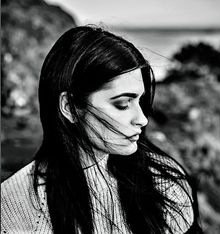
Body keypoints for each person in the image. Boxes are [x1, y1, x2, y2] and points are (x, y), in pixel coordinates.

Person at [1, 25, 203, 234]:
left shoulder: (164, 183)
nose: (142, 119)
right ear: (70, 107)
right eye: (123, 104)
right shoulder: (12, 209)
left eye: (140, 101)